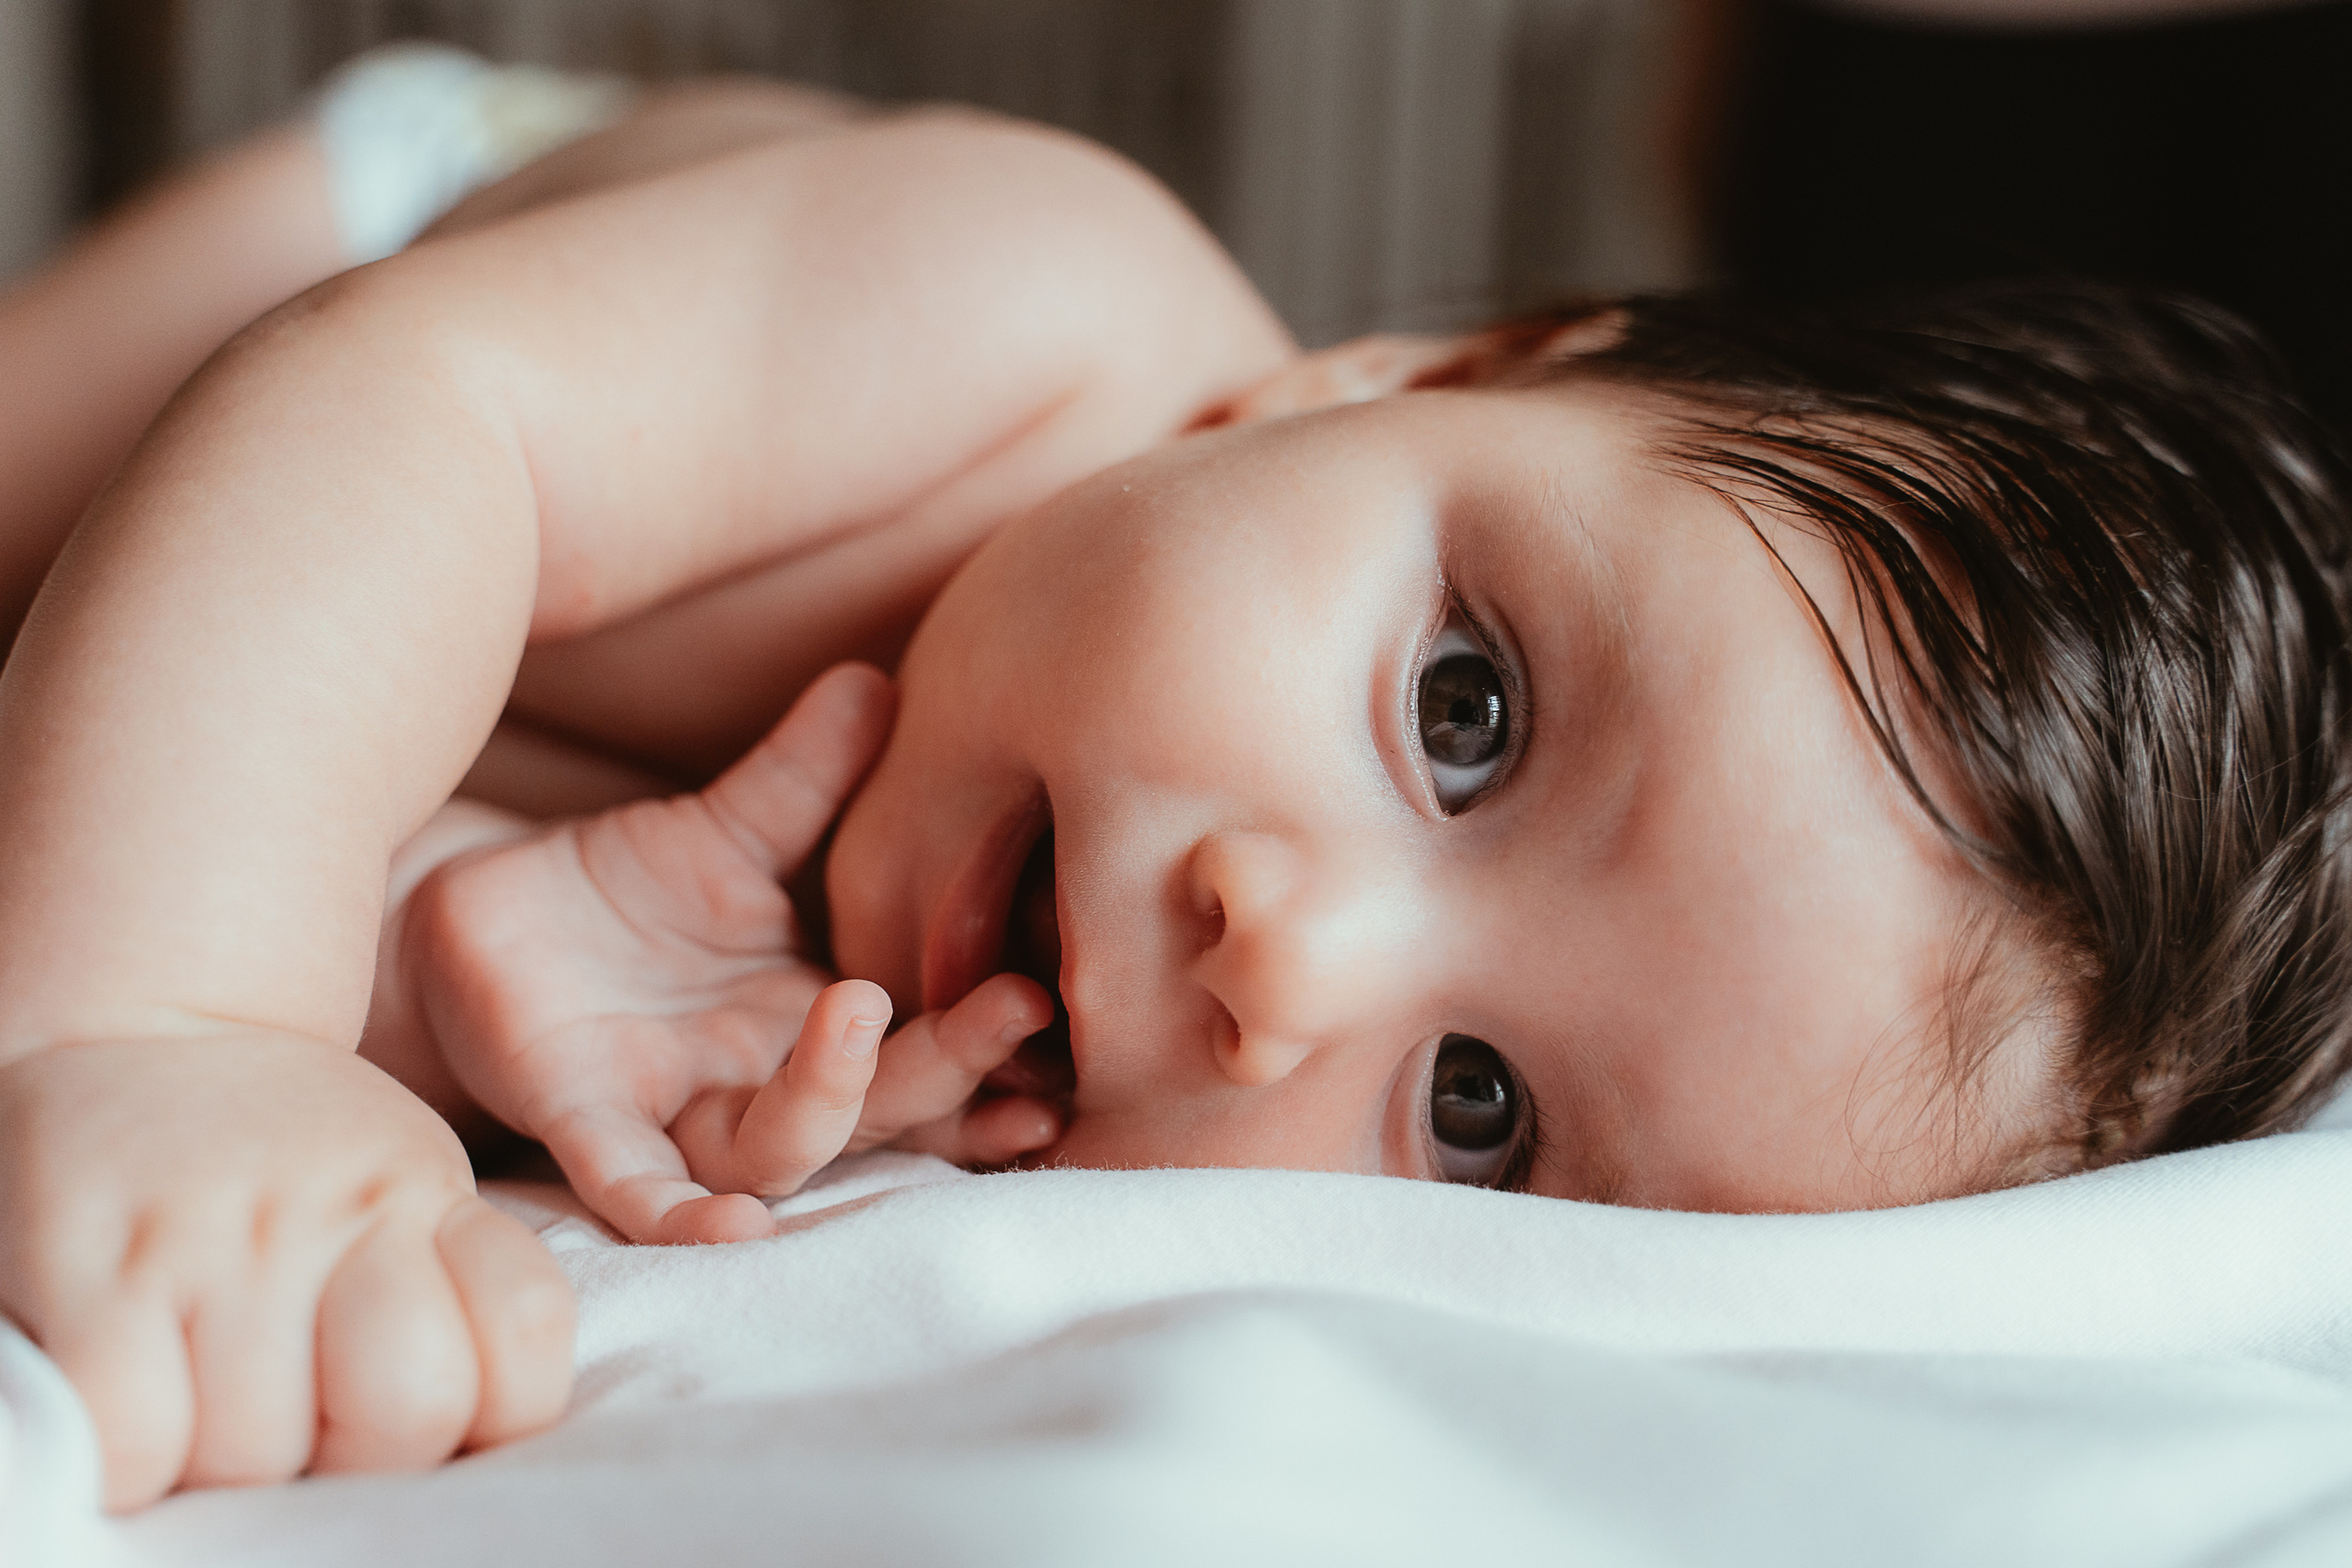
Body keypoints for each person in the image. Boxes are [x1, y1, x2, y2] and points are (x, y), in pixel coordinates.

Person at [2, 46, 2347, 1515]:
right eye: (1464, 715)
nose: (1281, 961)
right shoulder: (1034, 309)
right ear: (1402, 375)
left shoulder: (970, 1071)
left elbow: (444, 893)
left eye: (1472, 1109)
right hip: (383, 279)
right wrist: (170, 1026)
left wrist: (459, 981)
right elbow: (402, 421)